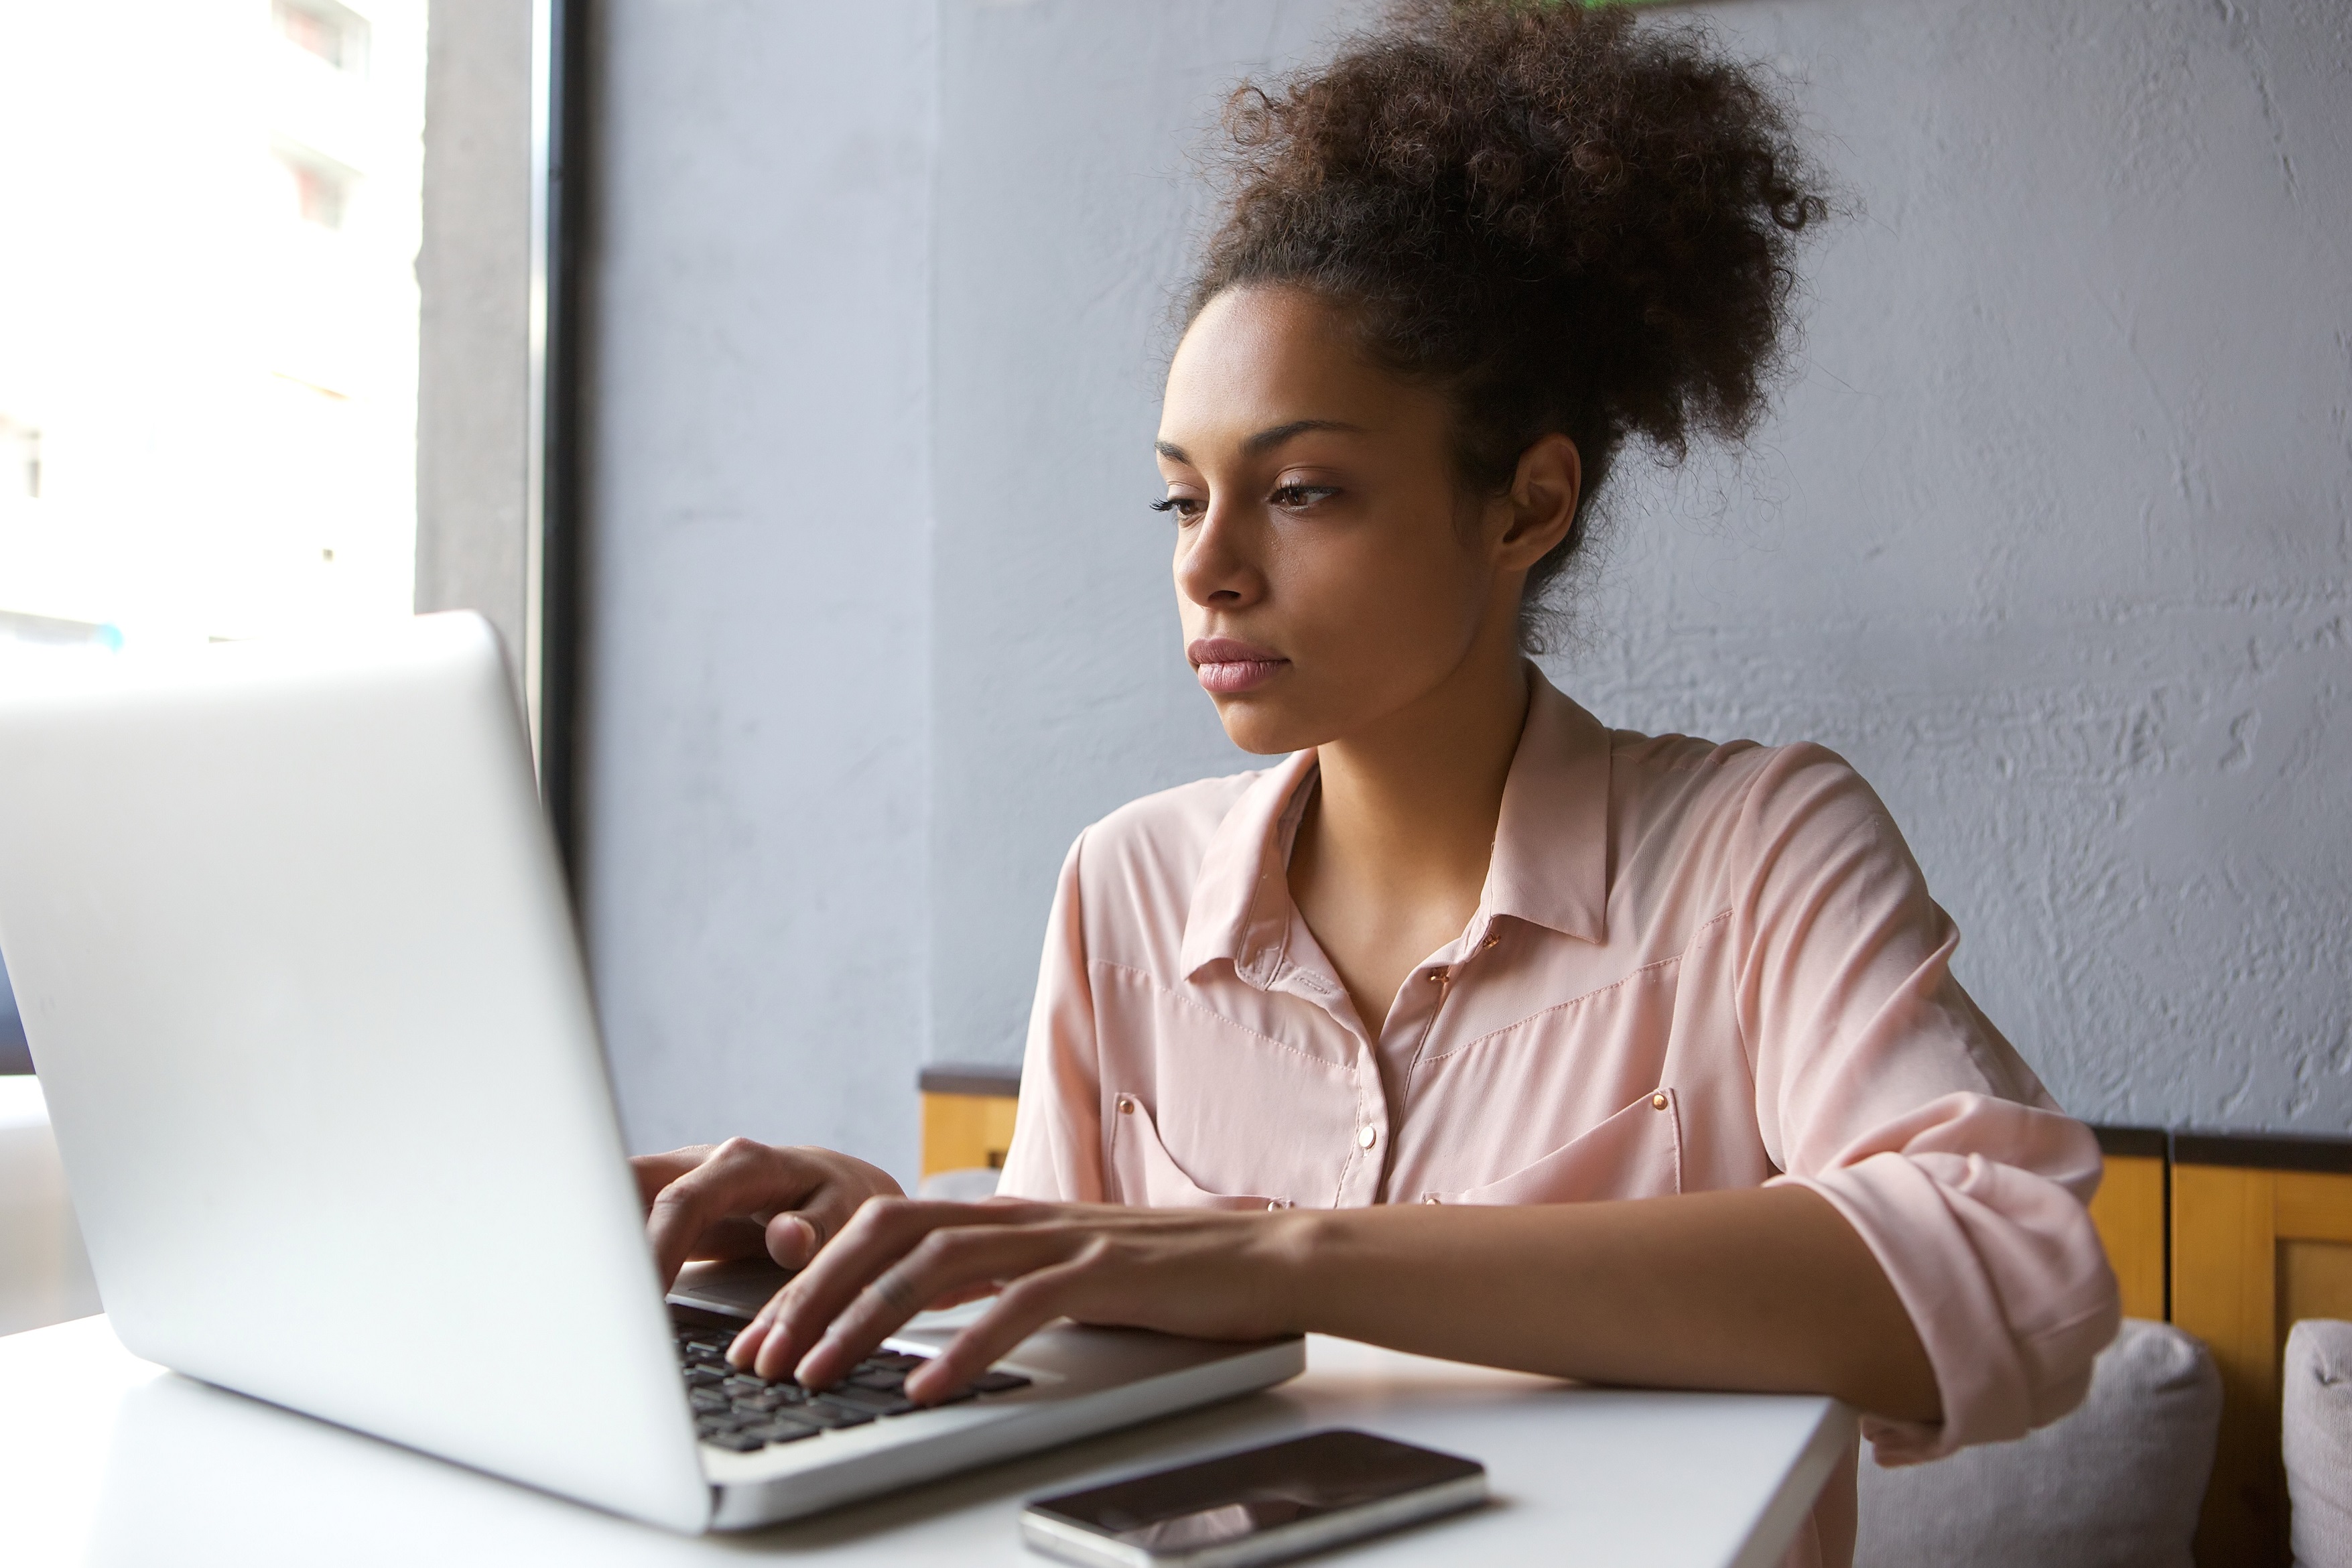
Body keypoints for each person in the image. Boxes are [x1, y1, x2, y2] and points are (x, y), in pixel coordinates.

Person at [631, 5, 2120, 1563]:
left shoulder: (1756, 851)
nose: (1208, 567)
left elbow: (2016, 1273)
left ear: (1528, 505)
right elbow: (1067, 1353)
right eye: (1180, 495)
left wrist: (1289, 1257)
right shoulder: (1126, 887)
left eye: (1302, 492)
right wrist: (873, 1236)